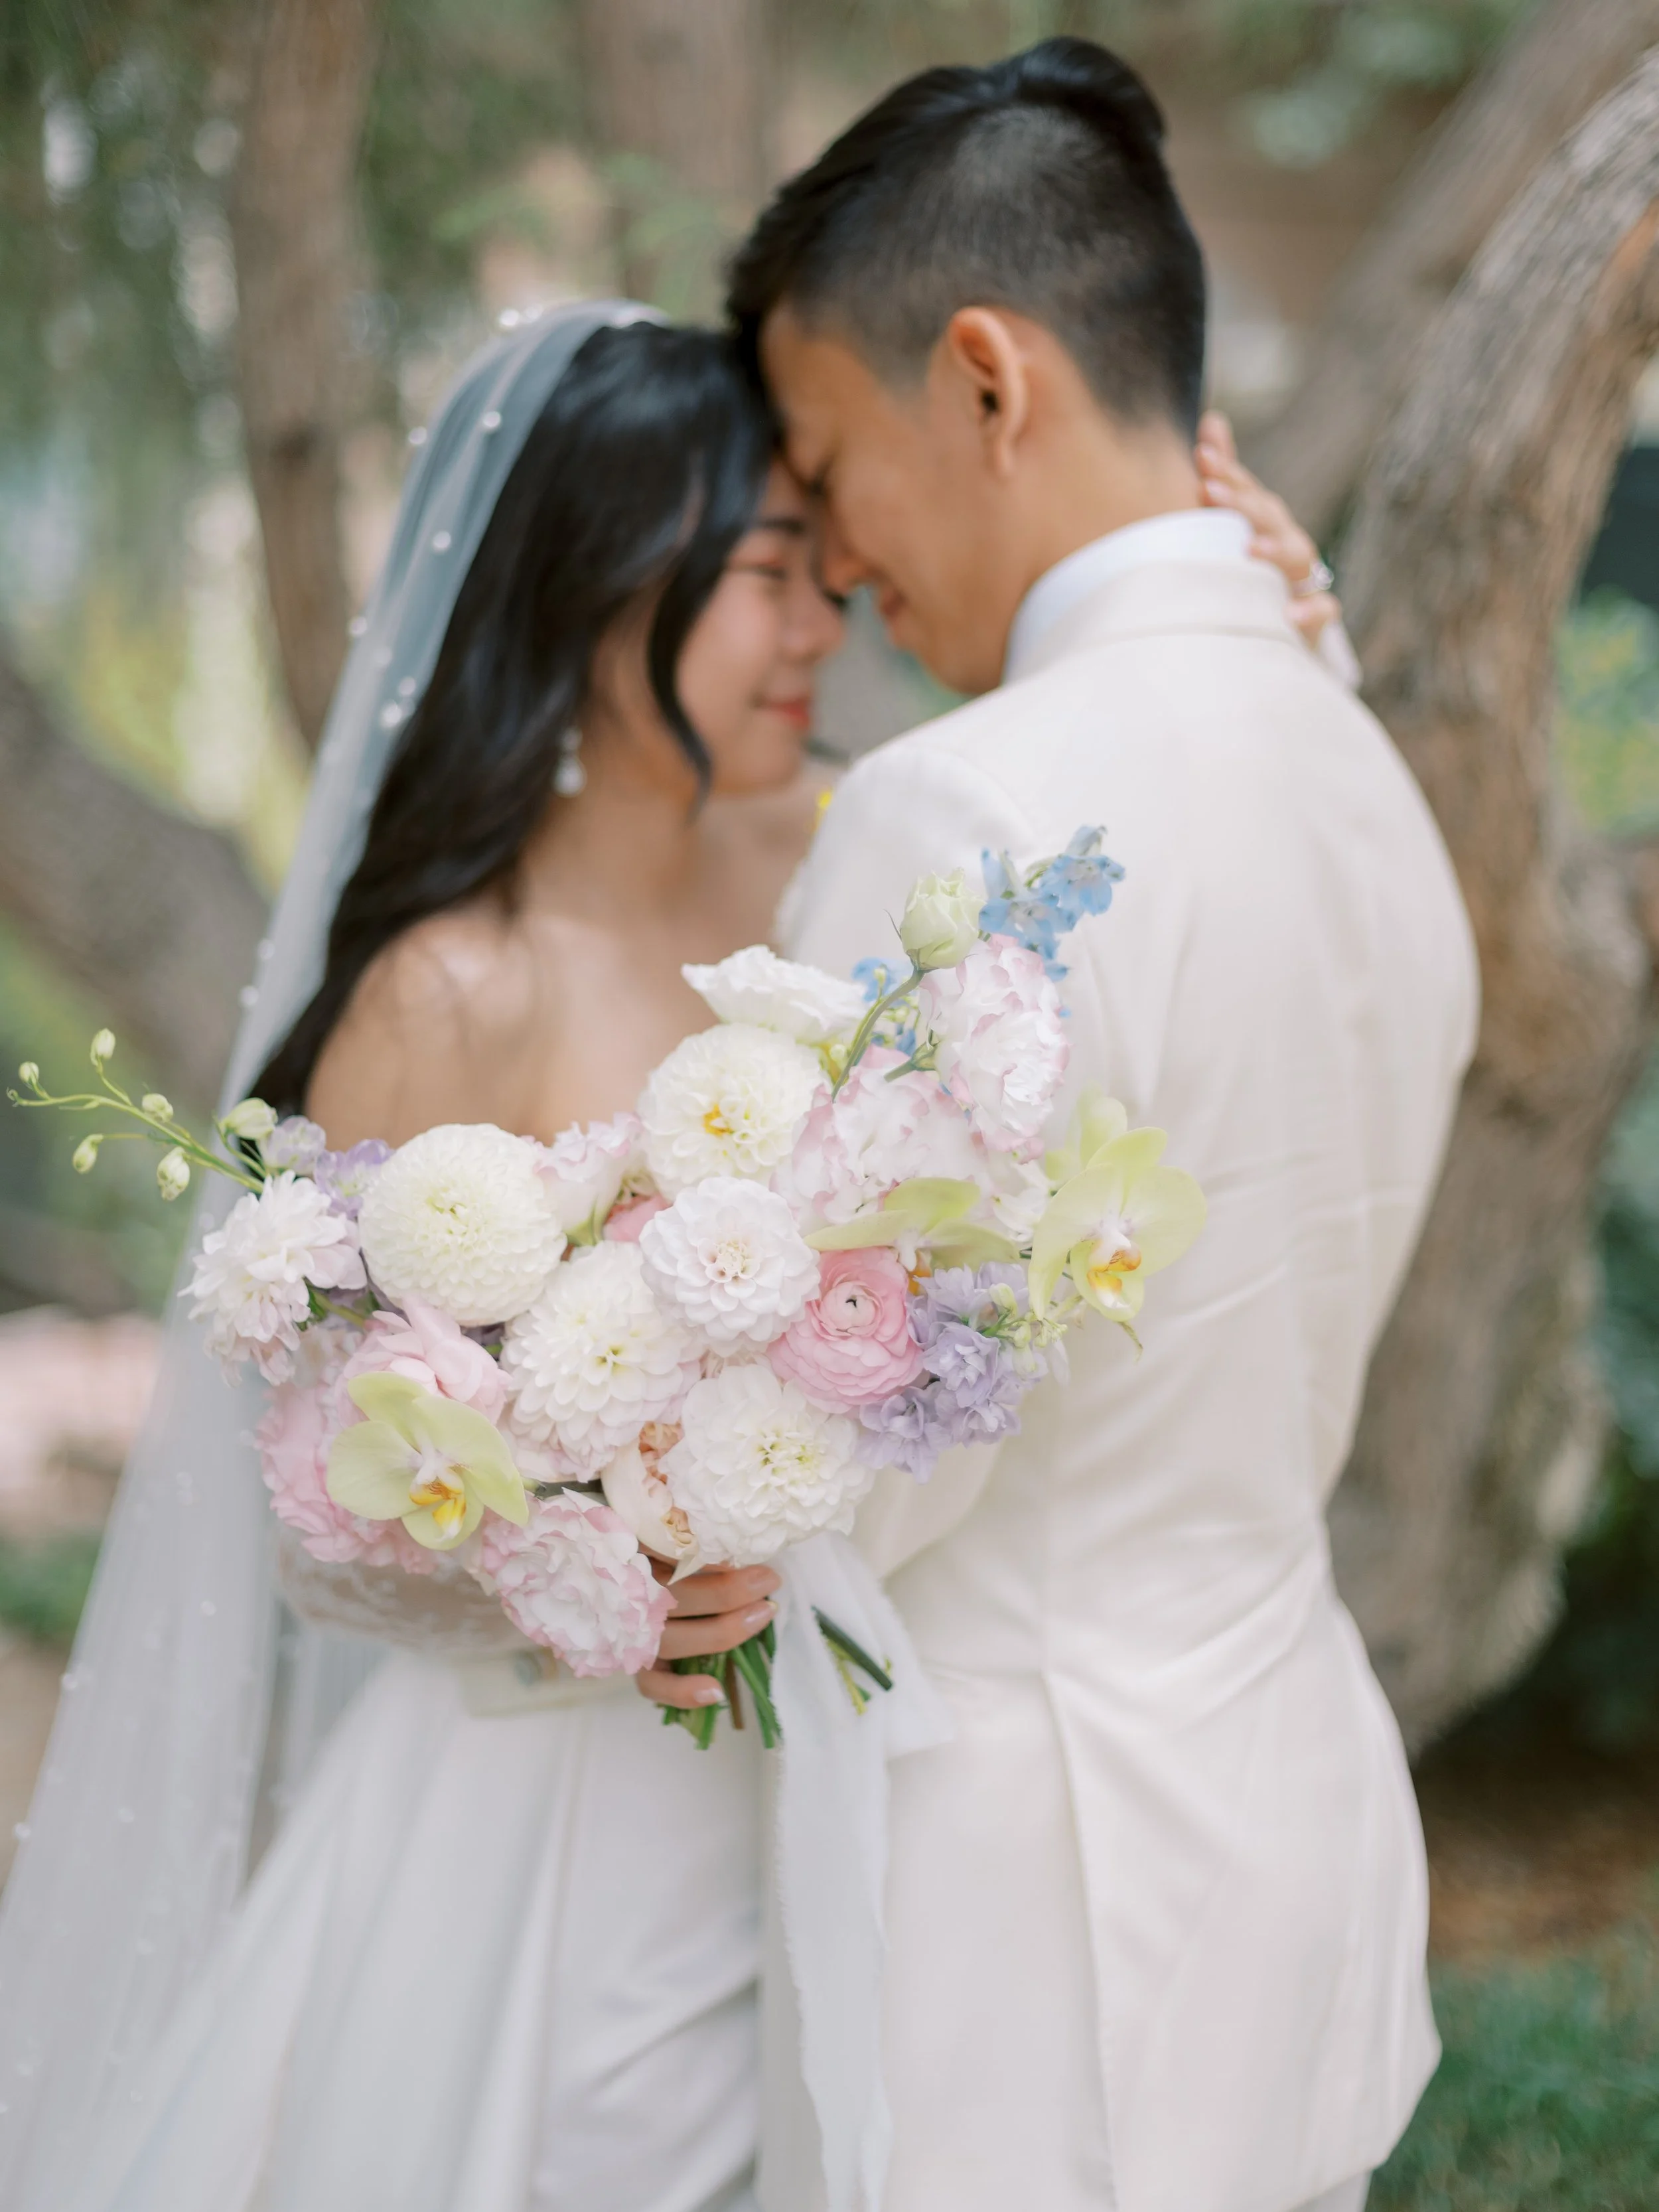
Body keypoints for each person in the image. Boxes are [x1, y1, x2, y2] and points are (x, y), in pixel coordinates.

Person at [729, 37, 1477, 2212]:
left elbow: (880, 1444)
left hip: (1018, 1888)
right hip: (1283, 1810)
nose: (839, 561)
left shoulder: (962, 812)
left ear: (982, 377)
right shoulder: (1363, 774)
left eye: (824, 457)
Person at [0, 305, 831, 2212]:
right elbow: (311, 1516)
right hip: (544, 1821)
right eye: (768, 576)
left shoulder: (849, 856)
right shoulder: (446, 989)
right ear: (607, 579)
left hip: (843, 1756)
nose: (816, 633)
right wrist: (576, 1564)